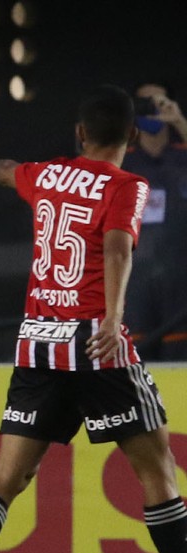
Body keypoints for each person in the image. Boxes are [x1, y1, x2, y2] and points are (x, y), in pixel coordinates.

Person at [0, 85, 187, 553]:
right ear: (133, 136)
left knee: (8, 475)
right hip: (95, 344)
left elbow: (8, 170)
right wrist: (113, 320)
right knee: (157, 471)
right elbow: (117, 247)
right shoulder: (127, 186)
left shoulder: (48, 176)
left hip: (39, 342)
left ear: (79, 134)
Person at [121, 82, 187, 359]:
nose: (151, 110)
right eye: (144, 104)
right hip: (134, 279)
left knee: (179, 356)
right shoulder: (123, 161)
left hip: (180, 279)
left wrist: (179, 122)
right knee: (136, 358)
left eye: (158, 102)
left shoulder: (182, 154)